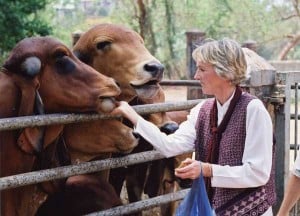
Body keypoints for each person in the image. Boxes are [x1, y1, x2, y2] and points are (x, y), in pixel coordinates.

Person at [111, 38, 276, 215]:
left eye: (202, 69)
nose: (196, 76)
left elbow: (258, 173)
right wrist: (132, 115)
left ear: (225, 72)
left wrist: (206, 169)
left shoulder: (253, 110)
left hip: (252, 211)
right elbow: (170, 145)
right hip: (214, 209)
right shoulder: (202, 111)